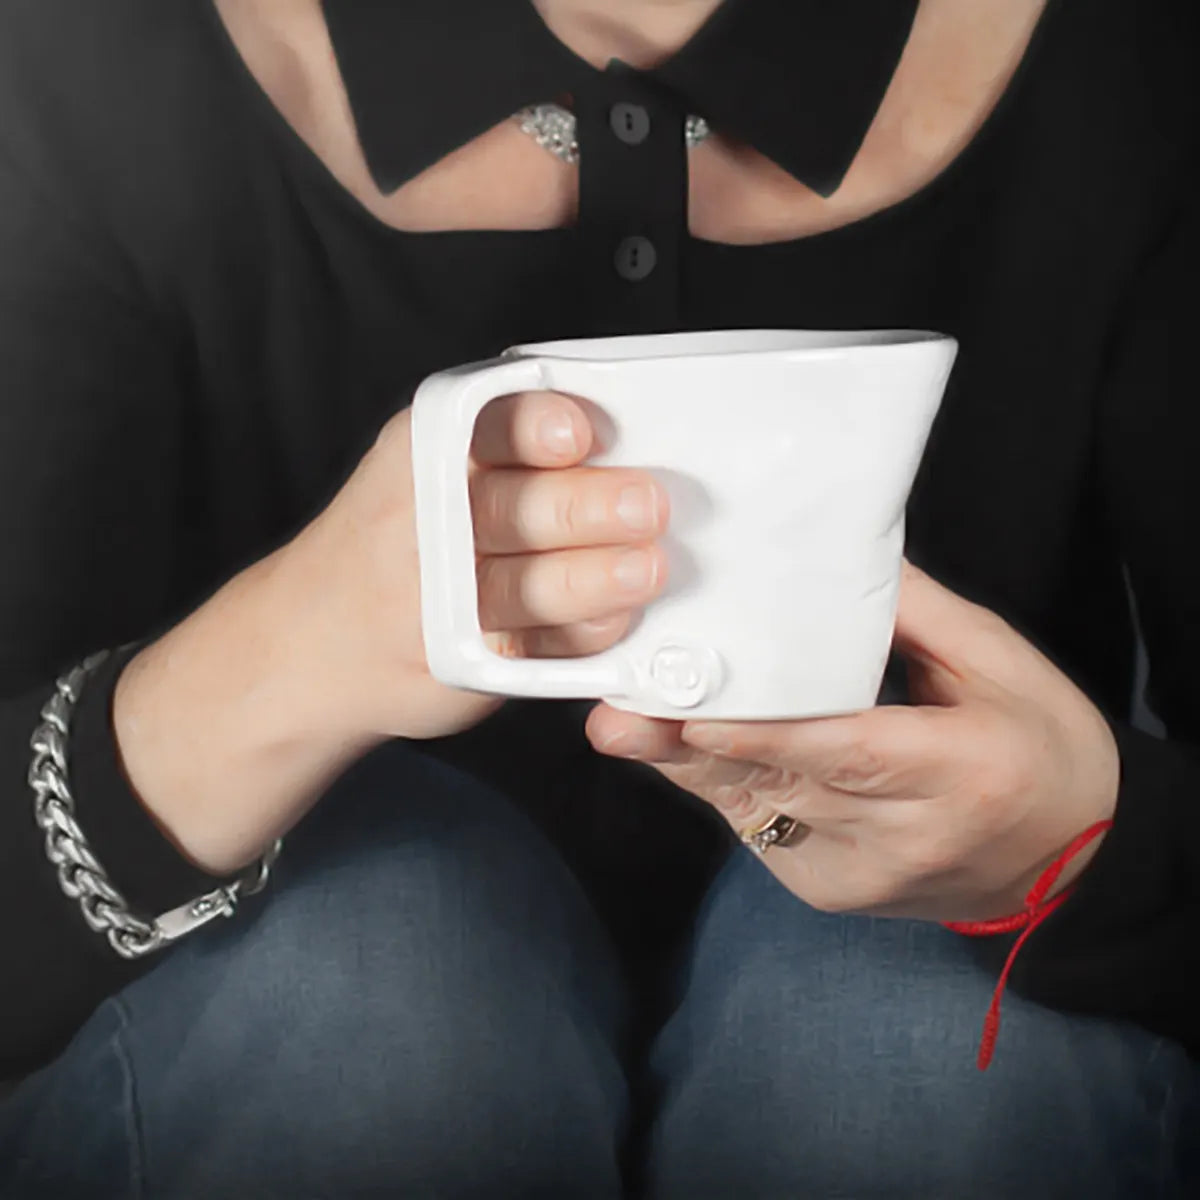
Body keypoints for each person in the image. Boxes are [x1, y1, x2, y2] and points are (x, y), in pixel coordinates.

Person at [0, 0, 1196, 1195]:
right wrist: (275, 659)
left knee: (908, 1042)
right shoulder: (90, 63)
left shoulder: (1136, 67)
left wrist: (1087, 844)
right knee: (370, 995)